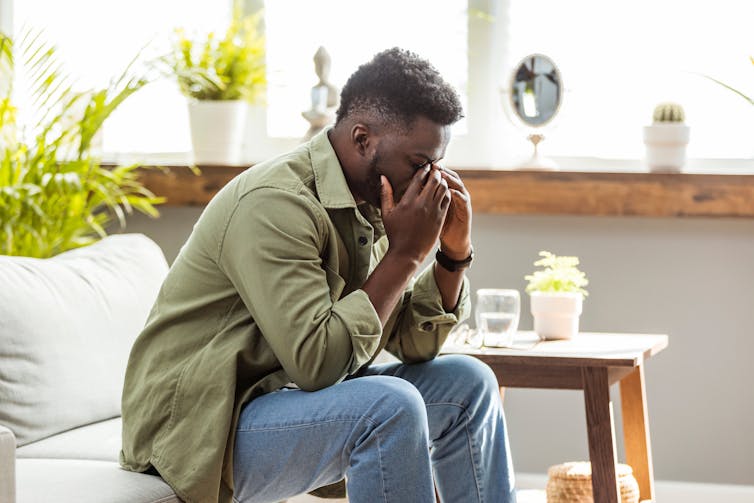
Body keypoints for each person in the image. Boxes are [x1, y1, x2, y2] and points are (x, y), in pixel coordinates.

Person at [120, 47, 516, 503]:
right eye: (418, 163)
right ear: (363, 139)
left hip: (283, 401)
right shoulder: (276, 204)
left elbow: (413, 342)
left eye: (437, 165)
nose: (431, 181)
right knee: (390, 407)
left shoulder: (373, 201)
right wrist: (406, 255)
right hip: (201, 425)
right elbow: (318, 364)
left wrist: (452, 252)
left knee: (470, 384)